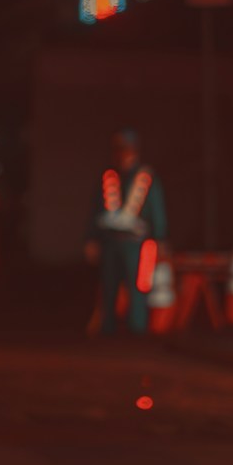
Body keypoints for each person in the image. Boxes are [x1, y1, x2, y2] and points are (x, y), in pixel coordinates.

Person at [85, 127, 167, 338]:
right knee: (108, 286)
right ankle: (108, 330)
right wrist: (91, 238)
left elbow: (157, 209)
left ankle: (138, 331)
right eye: (120, 150)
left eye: (127, 149)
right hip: (110, 241)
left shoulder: (146, 178)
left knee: (138, 288)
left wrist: (160, 238)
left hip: (136, 243)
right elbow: (95, 209)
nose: (123, 155)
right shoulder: (109, 177)